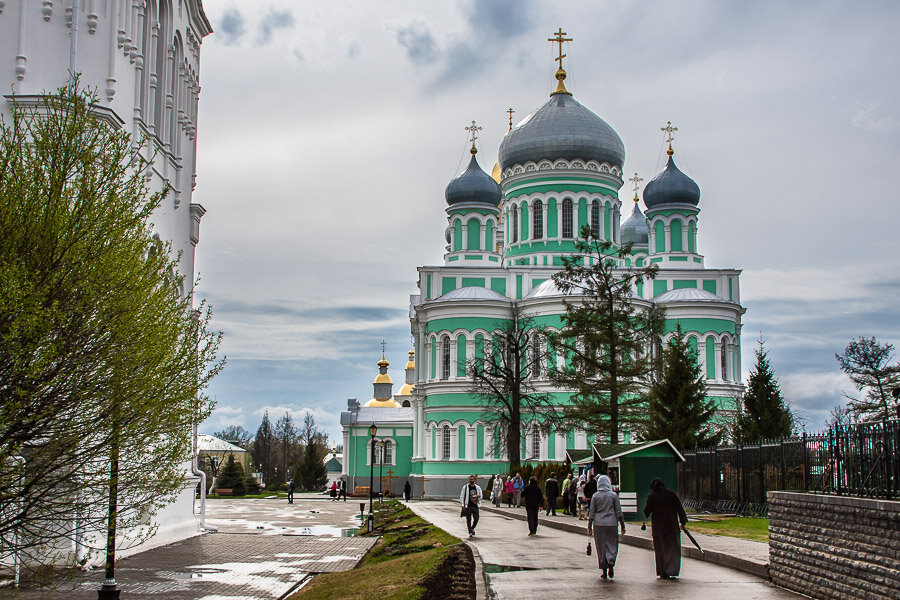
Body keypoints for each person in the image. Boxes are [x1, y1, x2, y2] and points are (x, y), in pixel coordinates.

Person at [643, 477, 688, 579]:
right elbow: (680, 509)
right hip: (672, 527)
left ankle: (663, 571)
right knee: (673, 550)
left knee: (660, 550)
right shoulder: (671, 494)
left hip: (658, 529)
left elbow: (646, 512)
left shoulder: (651, 496)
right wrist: (683, 522)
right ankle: (672, 570)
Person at [587, 475, 626, 579]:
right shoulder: (613, 496)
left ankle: (604, 570)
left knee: (601, 547)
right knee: (612, 544)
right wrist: (622, 525)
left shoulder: (595, 496)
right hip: (612, 524)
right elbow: (619, 512)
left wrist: (589, 527)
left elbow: (592, 513)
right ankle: (611, 561)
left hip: (598, 524)